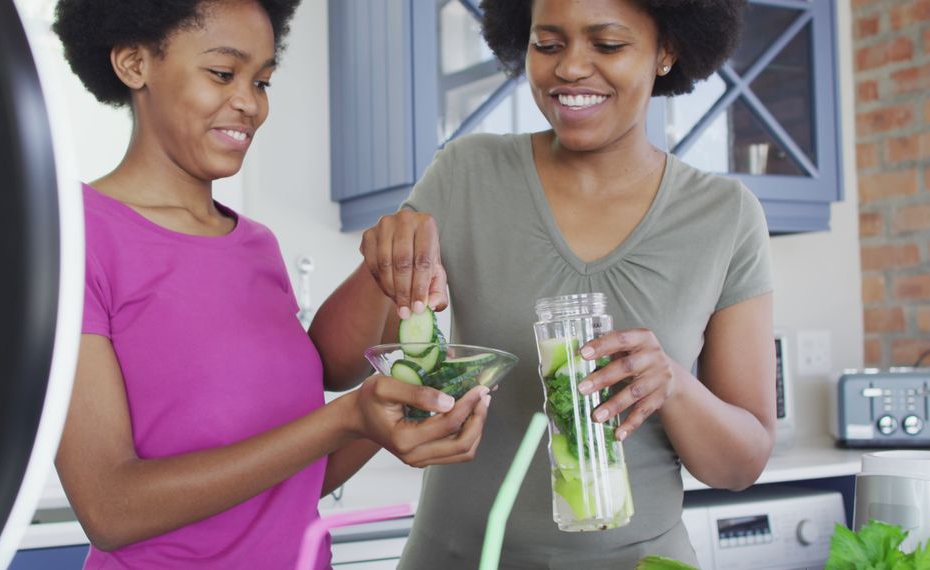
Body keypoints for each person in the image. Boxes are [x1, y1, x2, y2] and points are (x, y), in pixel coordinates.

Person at [312, 0, 774, 567]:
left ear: (667, 51)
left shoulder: (725, 216)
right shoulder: (466, 173)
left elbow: (741, 465)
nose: (571, 68)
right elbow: (335, 367)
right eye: (548, 45)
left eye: (607, 45)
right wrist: (382, 262)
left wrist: (672, 385)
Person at [51, 1, 491, 568]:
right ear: (135, 64)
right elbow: (110, 509)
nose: (249, 103)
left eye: (261, 81)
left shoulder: (255, 245)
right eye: (222, 73)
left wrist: (407, 411)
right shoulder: (76, 239)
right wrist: (346, 417)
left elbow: (291, 479)